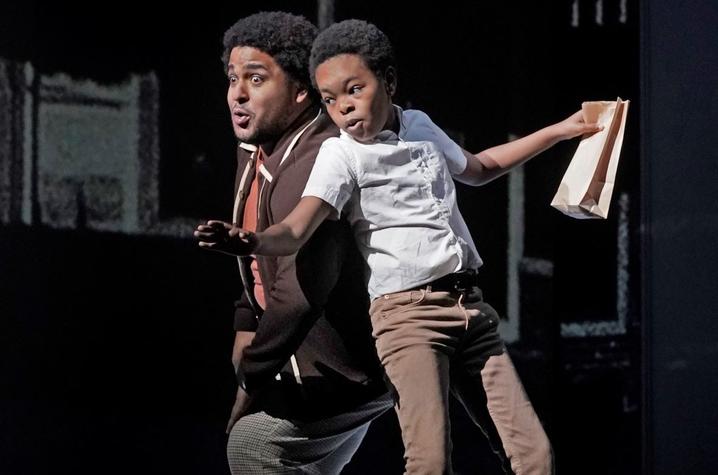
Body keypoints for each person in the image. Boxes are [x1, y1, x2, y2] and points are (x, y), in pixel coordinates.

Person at [198, 19, 603, 475]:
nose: (345, 109)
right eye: (331, 100)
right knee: (429, 461)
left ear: (388, 81)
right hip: (407, 316)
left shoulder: (420, 127)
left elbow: (479, 167)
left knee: (534, 456)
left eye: (355, 90)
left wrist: (560, 131)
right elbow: (296, 230)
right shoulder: (339, 153)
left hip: (468, 306)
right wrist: (249, 242)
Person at [195, 12, 392, 474]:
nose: (237, 95)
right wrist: (246, 321)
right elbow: (256, 256)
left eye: (256, 79)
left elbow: (300, 292)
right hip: (316, 365)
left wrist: (252, 378)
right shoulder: (256, 149)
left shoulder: (317, 163)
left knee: (251, 446)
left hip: (349, 371)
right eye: (232, 79)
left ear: (301, 90)